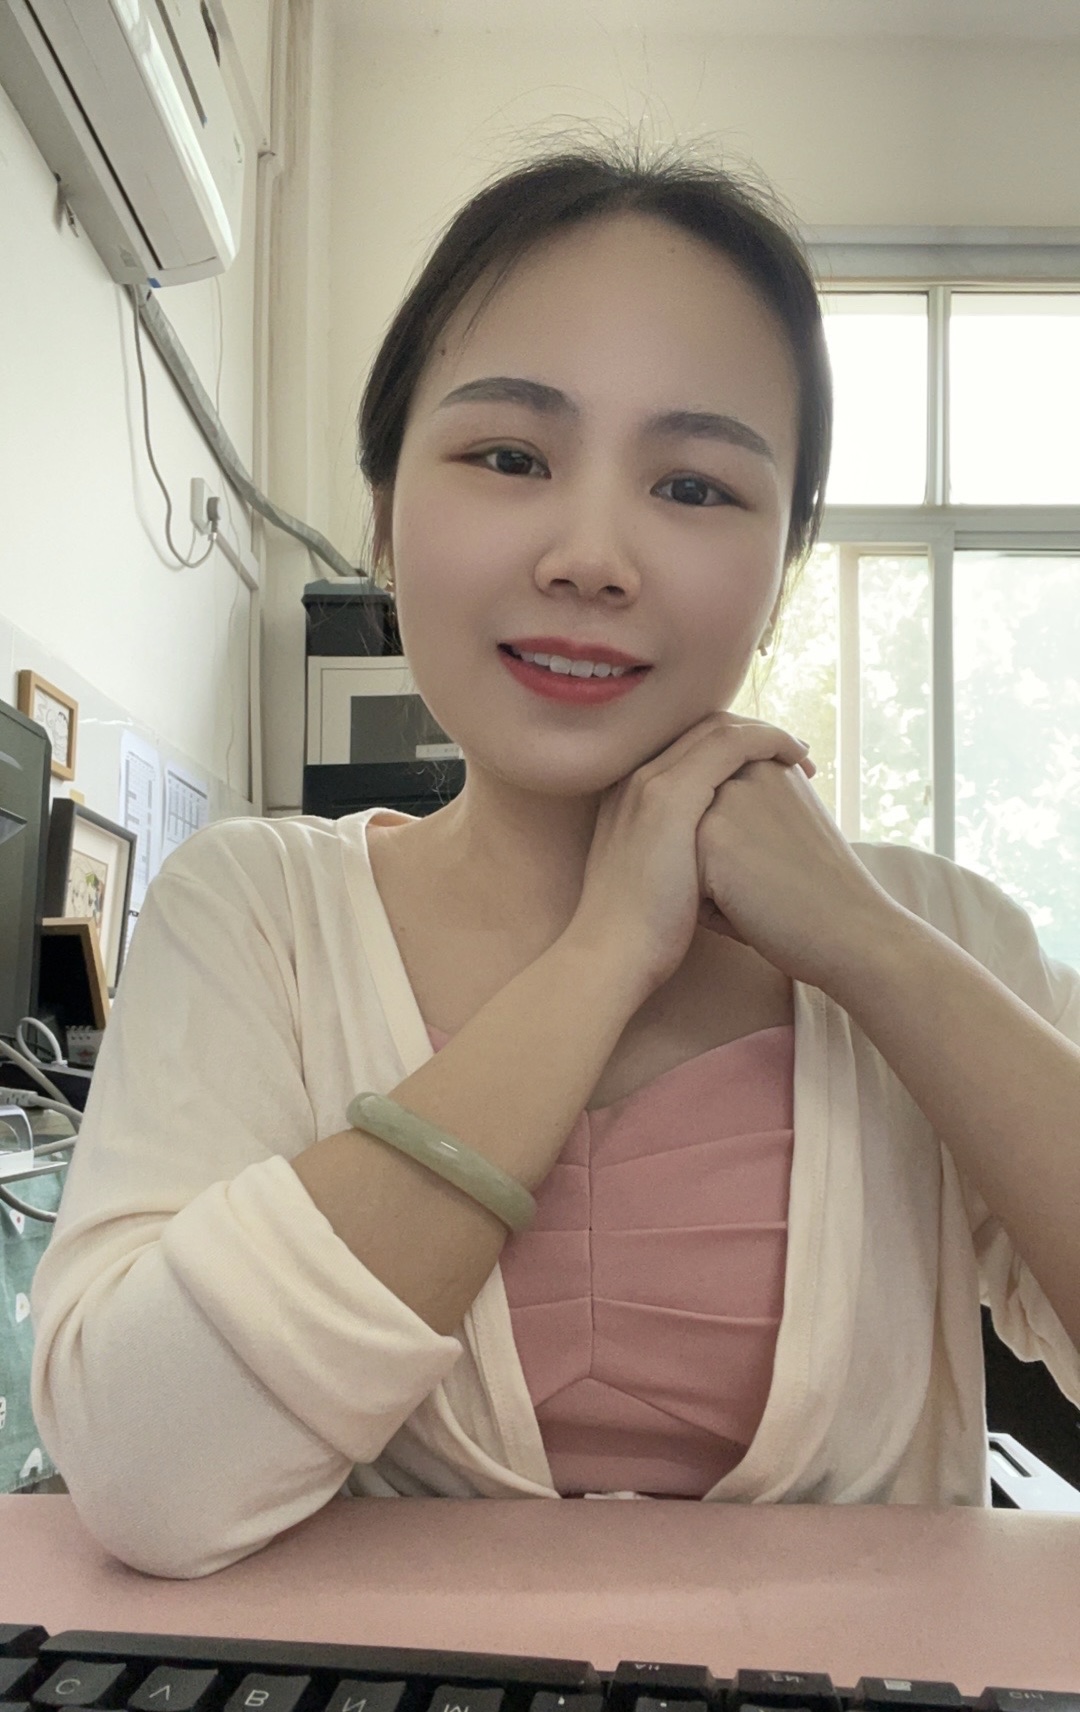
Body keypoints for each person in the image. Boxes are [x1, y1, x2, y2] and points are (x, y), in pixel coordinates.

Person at [30, 138, 1080, 1580]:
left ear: (783, 567)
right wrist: (602, 957)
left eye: (696, 487)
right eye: (510, 458)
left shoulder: (941, 933)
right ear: (384, 518)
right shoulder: (256, 912)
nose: (593, 555)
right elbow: (149, 1478)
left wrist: (874, 949)